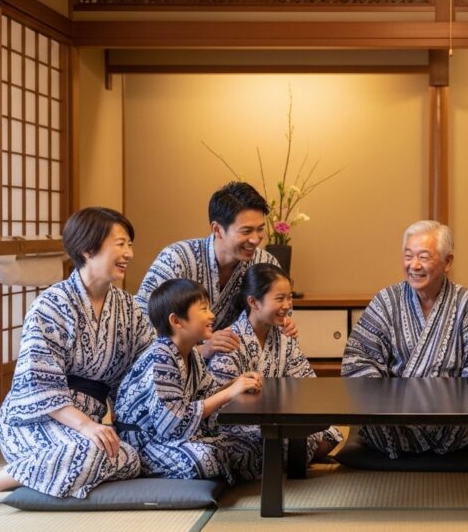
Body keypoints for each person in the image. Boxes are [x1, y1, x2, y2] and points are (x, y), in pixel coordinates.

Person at [0, 207, 156, 511]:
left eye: (130, 244)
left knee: (130, 457)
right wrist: (87, 427)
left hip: (89, 427)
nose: (129, 253)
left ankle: (28, 471)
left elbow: (146, 366)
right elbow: (39, 385)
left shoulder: (129, 309)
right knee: (92, 452)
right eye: (120, 244)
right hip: (36, 420)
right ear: (88, 249)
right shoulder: (51, 305)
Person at [342, 220, 468, 458]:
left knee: (466, 424)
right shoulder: (387, 301)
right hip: (391, 422)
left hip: (451, 424)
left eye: (424, 257)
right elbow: (358, 359)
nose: (414, 265)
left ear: (448, 262)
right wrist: (387, 404)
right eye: (408, 256)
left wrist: (449, 405)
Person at [114, 278, 263, 484]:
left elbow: (208, 395)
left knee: (253, 442)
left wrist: (238, 384)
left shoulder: (191, 353)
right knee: (206, 458)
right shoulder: (161, 357)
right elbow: (172, 424)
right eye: (203, 309)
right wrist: (229, 392)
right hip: (146, 443)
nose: (211, 315)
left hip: (177, 438)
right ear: (177, 321)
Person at [135, 181, 295, 360]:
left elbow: (281, 315)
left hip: (239, 367)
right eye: (246, 231)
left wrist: (284, 325)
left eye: (260, 230)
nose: (255, 239)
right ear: (217, 229)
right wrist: (200, 350)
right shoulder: (176, 258)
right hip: (176, 367)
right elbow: (141, 325)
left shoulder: (265, 262)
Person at [206, 263, 343, 463]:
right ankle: (287, 458)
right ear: (253, 302)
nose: (287, 305)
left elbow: (308, 383)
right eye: (279, 299)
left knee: (330, 433)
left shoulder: (284, 336)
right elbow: (218, 408)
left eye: (289, 298)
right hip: (239, 426)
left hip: (280, 417)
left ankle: (283, 458)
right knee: (275, 442)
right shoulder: (230, 340)